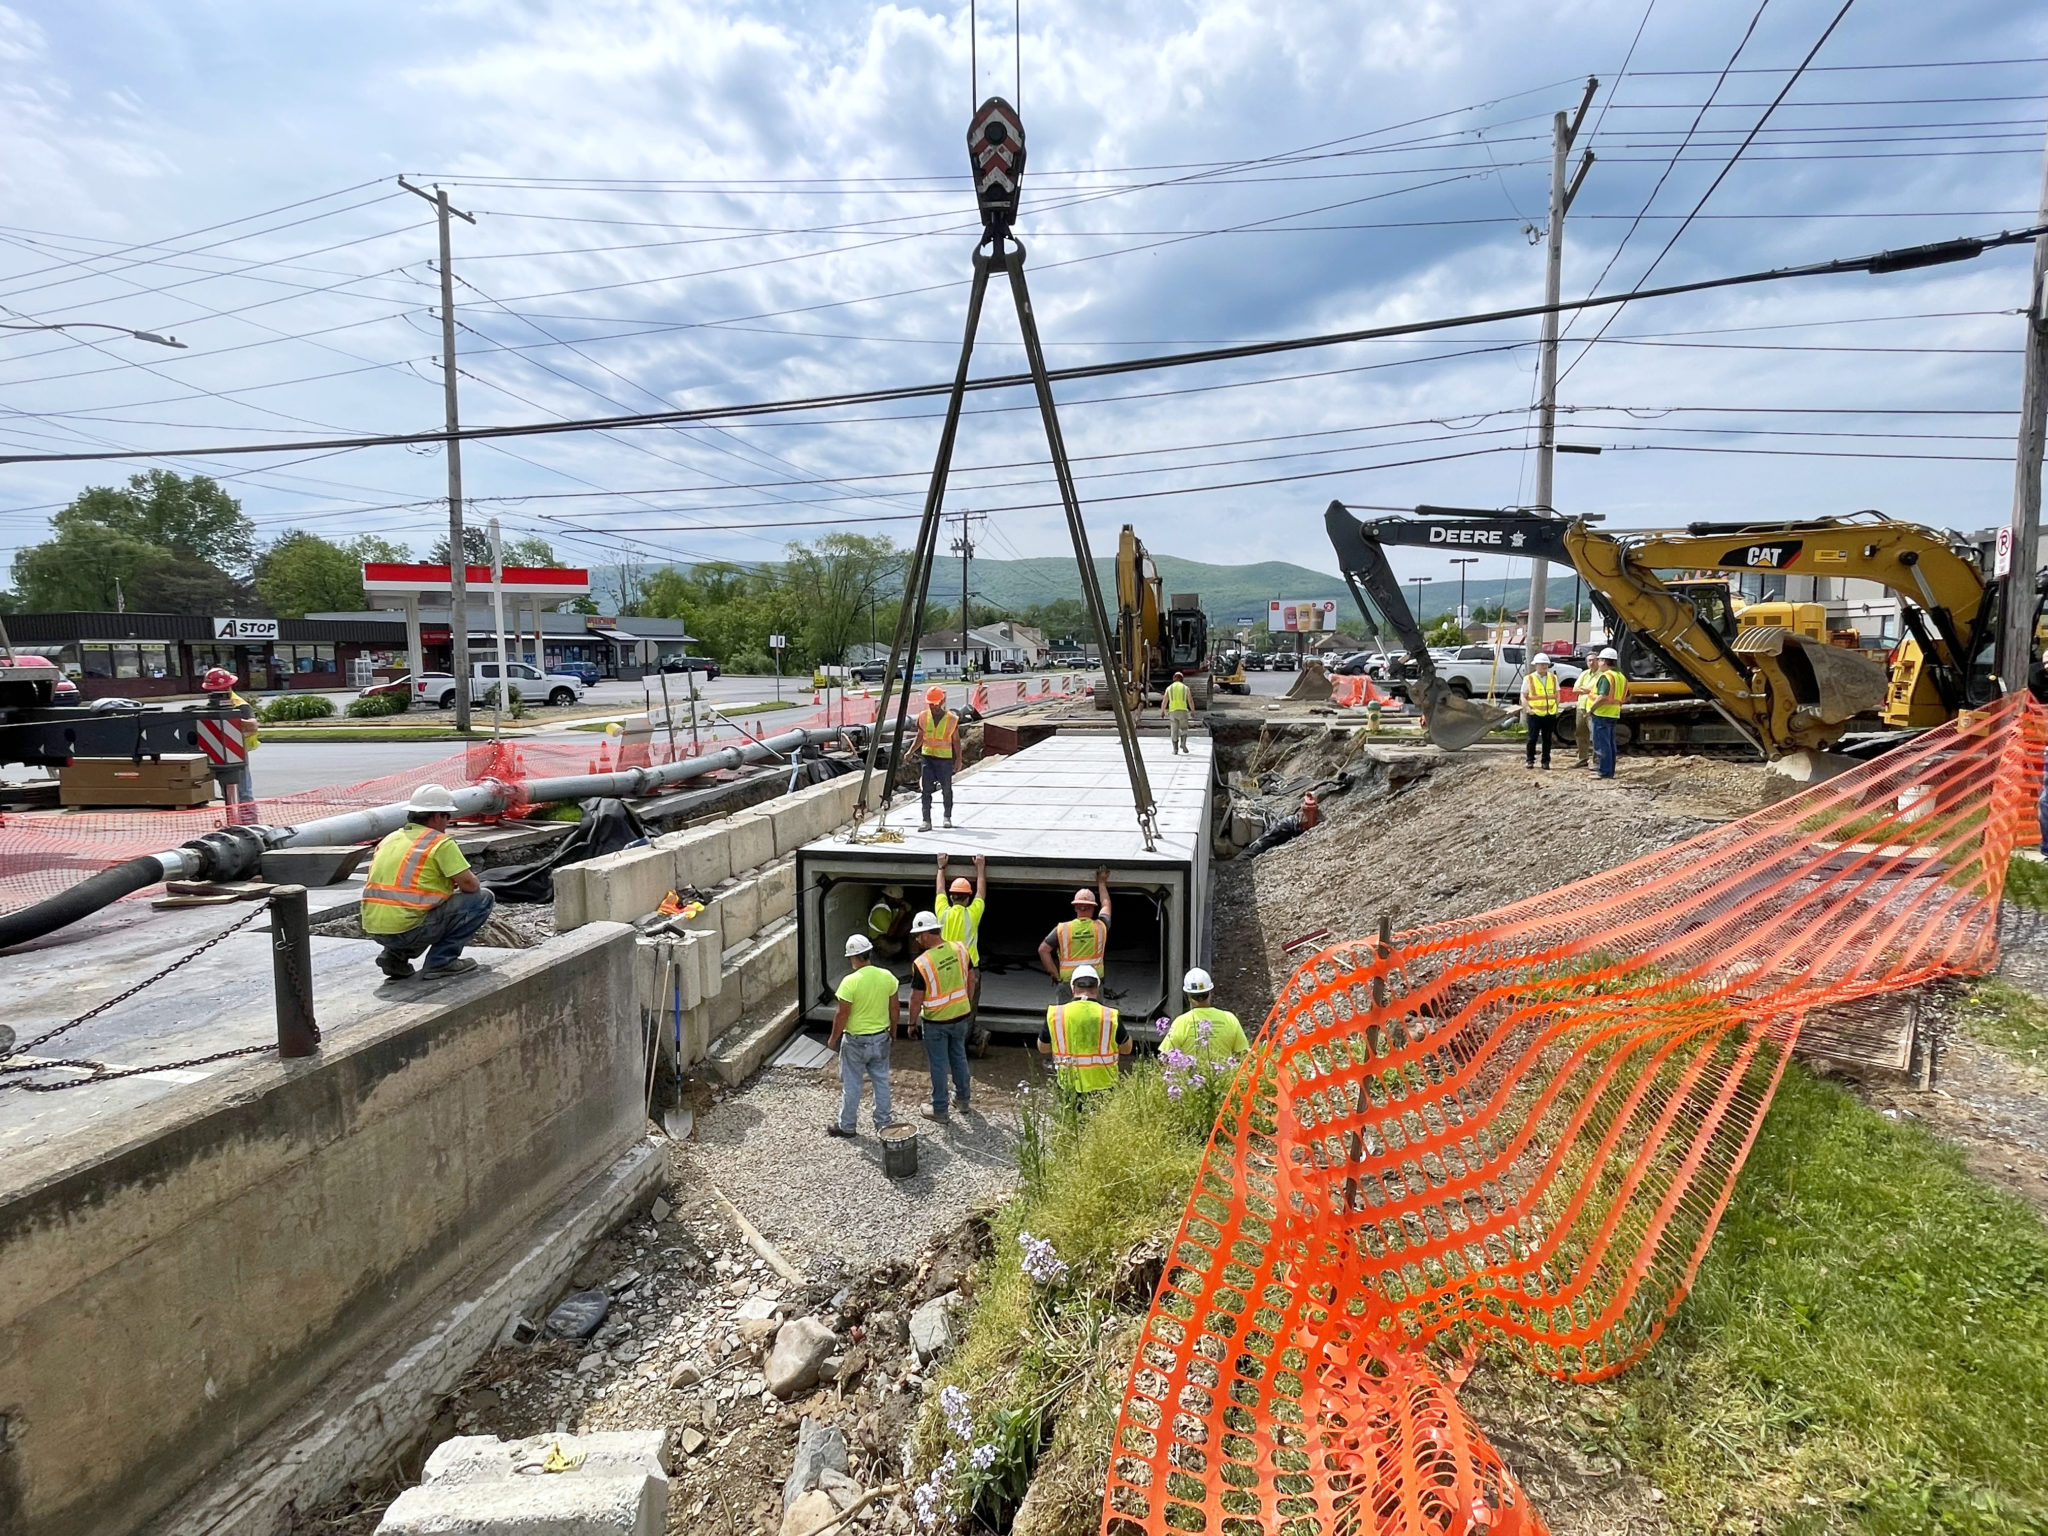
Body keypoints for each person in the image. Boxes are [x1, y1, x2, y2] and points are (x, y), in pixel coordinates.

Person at [361, 784, 496, 980]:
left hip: (375, 928)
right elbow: (471, 886)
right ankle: (442, 962)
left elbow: (405, 883)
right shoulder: (440, 842)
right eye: (447, 816)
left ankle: (394, 957)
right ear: (437, 816)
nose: (448, 821)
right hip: (408, 930)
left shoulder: (390, 838)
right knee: (482, 899)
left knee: (415, 911)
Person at [827, 933, 902, 1138]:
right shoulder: (887, 977)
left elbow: (842, 1014)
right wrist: (893, 1032)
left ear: (853, 957)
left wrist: (833, 1038)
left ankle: (847, 1126)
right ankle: (884, 1123)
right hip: (881, 1037)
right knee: (881, 1080)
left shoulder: (849, 982)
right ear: (869, 953)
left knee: (852, 1084)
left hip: (855, 1042)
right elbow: (894, 1009)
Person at [906, 911, 976, 1125]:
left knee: (938, 1064)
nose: (917, 940)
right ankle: (963, 1100)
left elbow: (916, 998)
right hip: (961, 1016)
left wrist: (911, 1023)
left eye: (918, 935)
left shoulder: (922, 963)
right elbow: (972, 979)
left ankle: (939, 1109)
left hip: (936, 1022)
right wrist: (966, 1003)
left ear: (927, 934)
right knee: (959, 1057)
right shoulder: (960, 949)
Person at [1036, 963, 1129, 1105]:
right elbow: (1127, 1049)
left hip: (1069, 1085)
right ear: (1097, 988)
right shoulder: (1110, 1015)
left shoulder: (1056, 1014)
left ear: (1073, 988)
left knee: (1071, 1125)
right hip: (1104, 1086)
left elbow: (1042, 1048)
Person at [935, 853, 988, 1048]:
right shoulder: (972, 914)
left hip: (946, 970)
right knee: (968, 1009)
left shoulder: (942, 912)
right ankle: (963, 1045)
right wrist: (980, 868)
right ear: (967, 898)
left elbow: (939, 889)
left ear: (951, 896)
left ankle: (951, 1043)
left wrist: (941, 867)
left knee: (948, 1008)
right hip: (969, 971)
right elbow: (981, 892)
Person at [201, 666, 261, 825]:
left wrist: (233, 724)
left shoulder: (239, 705)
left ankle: (250, 824)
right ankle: (234, 822)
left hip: (237, 753)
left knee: (243, 792)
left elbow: (252, 726)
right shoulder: (213, 705)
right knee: (228, 792)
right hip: (220, 754)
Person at [1039, 869, 1111, 1000]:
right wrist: (1101, 882)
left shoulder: (1062, 929)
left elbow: (1043, 950)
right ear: (1093, 907)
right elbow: (1106, 904)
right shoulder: (1101, 926)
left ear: (1076, 907)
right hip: (1094, 982)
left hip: (1068, 982)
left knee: (1065, 1017)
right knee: (1094, 1016)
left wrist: (1055, 974)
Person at [1161, 968, 1251, 1064]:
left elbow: (1165, 1058)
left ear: (1188, 996)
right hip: (1224, 1077)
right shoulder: (1230, 1019)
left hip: (1190, 1078)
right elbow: (1243, 1055)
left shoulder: (1181, 1022)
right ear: (1210, 992)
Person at [918, 685, 958, 831]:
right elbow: (920, 736)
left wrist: (958, 759)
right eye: (930, 704)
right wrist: (910, 752)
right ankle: (926, 820)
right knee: (926, 790)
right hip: (928, 758)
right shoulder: (923, 716)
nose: (933, 707)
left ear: (941, 702)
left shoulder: (951, 719)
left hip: (944, 760)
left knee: (946, 789)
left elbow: (956, 740)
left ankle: (947, 816)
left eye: (935, 703)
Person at [1590, 645, 1628, 779]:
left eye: (1599, 660)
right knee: (1610, 744)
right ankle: (1609, 771)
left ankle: (1604, 772)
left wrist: (1591, 708)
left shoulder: (1606, 676)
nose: (1598, 663)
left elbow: (1602, 696)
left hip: (1602, 713)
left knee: (1602, 745)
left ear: (1605, 662)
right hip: (1613, 713)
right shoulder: (1620, 676)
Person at [1520, 652, 1560, 770]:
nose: (1544, 666)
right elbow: (1523, 696)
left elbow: (1557, 694)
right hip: (1534, 714)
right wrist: (1528, 709)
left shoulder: (1553, 678)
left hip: (1549, 713)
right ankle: (1530, 760)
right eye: (1541, 664)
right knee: (1532, 738)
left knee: (1547, 739)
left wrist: (1556, 707)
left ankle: (1545, 761)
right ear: (1536, 665)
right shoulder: (1529, 679)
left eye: (1546, 664)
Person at [866, 884, 913, 960]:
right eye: (898, 900)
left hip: (890, 933)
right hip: (879, 939)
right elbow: (890, 933)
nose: (901, 902)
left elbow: (909, 908)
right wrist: (900, 916)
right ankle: (885, 958)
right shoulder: (880, 911)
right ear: (891, 899)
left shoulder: (894, 905)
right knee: (896, 947)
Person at [1573, 653, 1600, 769]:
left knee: (1595, 735)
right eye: (1589, 661)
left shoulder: (1602, 675)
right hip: (1581, 707)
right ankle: (1582, 759)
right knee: (1580, 733)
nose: (1591, 663)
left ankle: (1596, 761)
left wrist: (1585, 689)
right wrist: (1587, 690)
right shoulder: (1584, 674)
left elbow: (1597, 690)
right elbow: (1575, 689)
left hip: (1593, 708)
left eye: (1594, 660)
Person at [1161, 670, 1193, 754]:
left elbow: (1165, 701)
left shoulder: (1169, 688)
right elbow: (1190, 700)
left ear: (1174, 679)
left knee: (1174, 730)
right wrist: (1193, 710)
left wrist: (1163, 711)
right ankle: (1183, 743)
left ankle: (1175, 750)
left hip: (1173, 712)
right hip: (1183, 711)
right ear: (1182, 679)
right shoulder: (1185, 688)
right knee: (1184, 728)